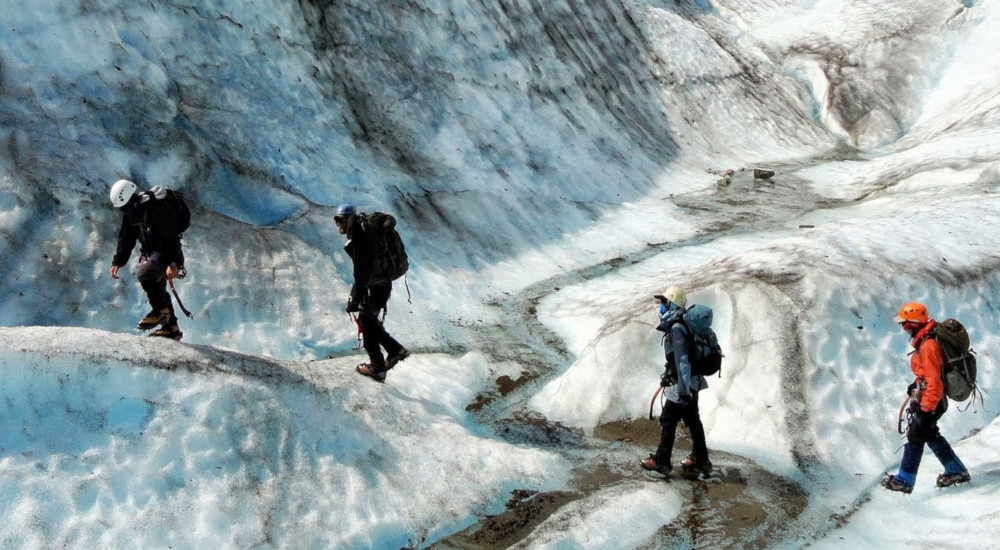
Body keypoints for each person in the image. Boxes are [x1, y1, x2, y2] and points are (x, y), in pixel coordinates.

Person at [881, 302, 971, 493]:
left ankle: (905, 479)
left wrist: (926, 409)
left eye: (905, 323)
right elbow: (930, 374)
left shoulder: (928, 345)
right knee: (929, 433)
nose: (903, 328)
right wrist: (916, 384)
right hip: (930, 396)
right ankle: (956, 470)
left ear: (914, 323)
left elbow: (935, 382)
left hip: (932, 399)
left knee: (916, 434)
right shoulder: (925, 340)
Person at [640, 286, 712, 477]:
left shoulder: (677, 328)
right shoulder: (681, 324)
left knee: (668, 420)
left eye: (664, 302)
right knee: (692, 419)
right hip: (691, 382)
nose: (661, 306)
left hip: (683, 384)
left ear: (673, 304)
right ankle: (700, 459)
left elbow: (682, 361)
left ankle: (661, 462)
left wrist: (682, 389)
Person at [334, 204, 409, 382]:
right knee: (368, 323)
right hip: (381, 284)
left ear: (346, 218)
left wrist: (354, 298)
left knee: (367, 323)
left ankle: (393, 352)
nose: (337, 224)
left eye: (338, 220)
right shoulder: (365, 232)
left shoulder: (360, 237)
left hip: (374, 287)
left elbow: (361, 272)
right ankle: (379, 367)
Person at [108, 179, 187, 340]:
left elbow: (172, 238)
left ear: (130, 199)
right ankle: (171, 328)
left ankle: (160, 312)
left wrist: (174, 264)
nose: (123, 211)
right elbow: (126, 237)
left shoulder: (155, 210)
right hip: (153, 251)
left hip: (166, 251)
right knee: (158, 287)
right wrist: (118, 261)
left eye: (124, 207)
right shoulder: (132, 213)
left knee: (145, 275)